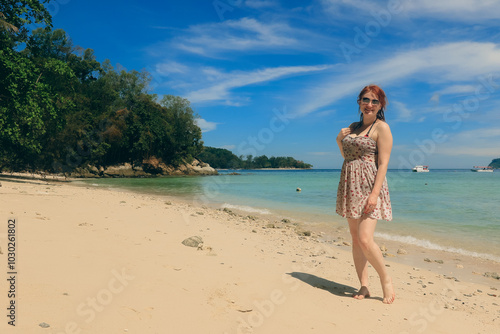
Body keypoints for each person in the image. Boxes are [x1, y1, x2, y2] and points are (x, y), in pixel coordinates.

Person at [336, 84, 395, 304]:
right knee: (355, 239)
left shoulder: (382, 128)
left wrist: (374, 194)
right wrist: (338, 140)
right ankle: (364, 285)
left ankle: (385, 279)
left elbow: (384, 163)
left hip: (370, 185)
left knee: (365, 238)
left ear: (380, 105)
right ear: (359, 102)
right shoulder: (353, 126)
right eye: (365, 100)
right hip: (350, 185)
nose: (369, 104)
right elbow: (347, 156)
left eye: (374, 101)